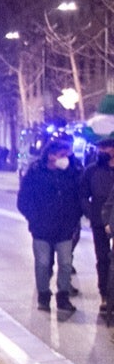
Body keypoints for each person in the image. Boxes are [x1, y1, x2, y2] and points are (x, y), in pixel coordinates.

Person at [18, 136, 83, 313]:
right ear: (51, 155)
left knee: (66, 263)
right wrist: (34, 219)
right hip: (42, 229)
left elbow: (78, 197)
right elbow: (23, 199)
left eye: (67, 155)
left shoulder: (71, 173)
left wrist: (73, 219)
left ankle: (63, 297)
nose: (65, 158)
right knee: (43, 263)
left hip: (64, 228)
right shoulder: (36, 172)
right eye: (62, 155)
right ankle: (44, 296)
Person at [83, 135, 114, 316]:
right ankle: (105, 295)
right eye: (100, 148)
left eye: (106, 147)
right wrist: (92, 213)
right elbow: (83, 195)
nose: (102, 151)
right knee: (103, 259)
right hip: (99, 222)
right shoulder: (92, 170)